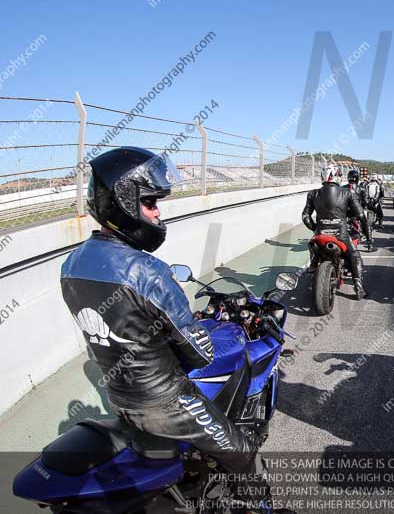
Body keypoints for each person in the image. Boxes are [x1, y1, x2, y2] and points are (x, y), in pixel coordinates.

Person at [60, 147, 272, 511]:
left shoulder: (72, 264)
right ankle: (263, 505)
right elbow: (199, 352)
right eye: (150, 203)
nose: (158, 212)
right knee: (241, 450)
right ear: (124, 202)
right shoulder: (147, 272)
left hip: (121, 398)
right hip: (166, 403)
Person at [303, 164, 373, 299]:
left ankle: (313, 264)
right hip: (341, 235)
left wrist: (315, 228)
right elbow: (361, 215)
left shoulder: (312, 193)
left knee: (313, 248)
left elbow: (305, 216)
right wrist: (366, 231)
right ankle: (358, 288)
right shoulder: (347, 192)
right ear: (338, 176)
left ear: (323, 176)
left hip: (320, 234)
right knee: (354, 256)